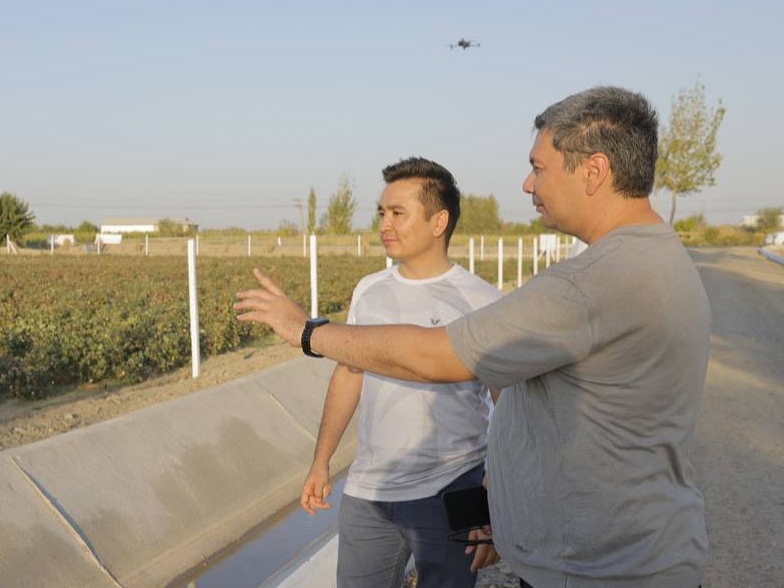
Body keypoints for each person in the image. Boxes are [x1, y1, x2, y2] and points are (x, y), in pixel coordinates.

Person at [235, 86, 709, 588]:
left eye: (539, 167)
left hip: (599, 570)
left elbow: (435, 356)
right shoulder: (657, 256)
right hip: (633, 555)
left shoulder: (591, 282)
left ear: (594, 171)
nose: (528, 183)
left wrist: (308, 331)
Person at [301, 157, 502, 588]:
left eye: (398, 213)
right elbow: (349, 374)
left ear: (438, 221)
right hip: (368, 493)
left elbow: (509, 407)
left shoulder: (481, 301)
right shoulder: (369, 290)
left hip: (452, 485)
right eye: (381, 213)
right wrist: (321, 462)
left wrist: (495, 500)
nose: (384, 225)